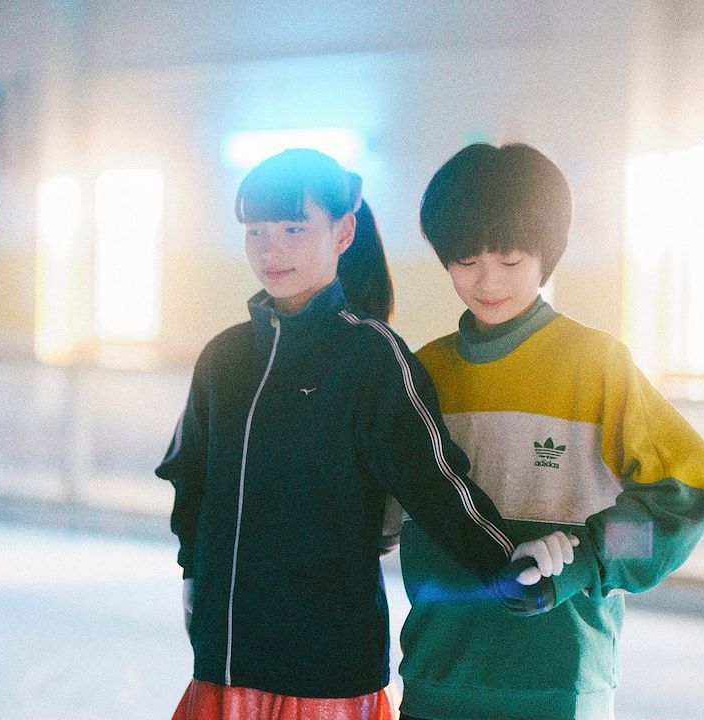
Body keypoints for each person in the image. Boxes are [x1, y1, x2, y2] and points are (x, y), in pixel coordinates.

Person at [156, 148, 573, 720]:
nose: (271, 249)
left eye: (294, 229)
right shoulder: (223, 358)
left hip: (327, 668)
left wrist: (504, 557)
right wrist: (193, 572)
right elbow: (191, 476)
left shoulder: (372, 357)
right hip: (226, 660)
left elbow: (433, 480)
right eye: (256, 231)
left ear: (343, 232)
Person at [397, 142, 704, 720]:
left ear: (545, 256)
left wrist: (590, 557)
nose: (487, 281)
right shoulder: (421, 373)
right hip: (438, 679)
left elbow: (689, 499)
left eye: (509, 260)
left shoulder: (597, 366)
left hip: (559, 685)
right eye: (466, 261)